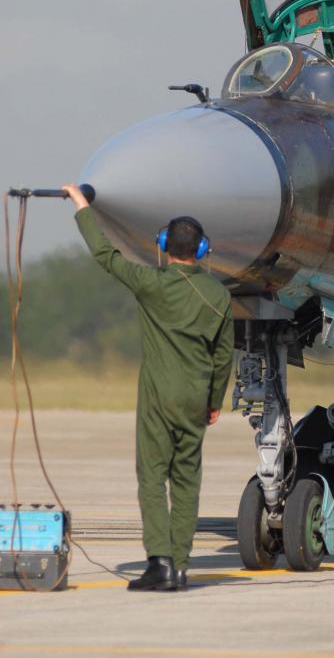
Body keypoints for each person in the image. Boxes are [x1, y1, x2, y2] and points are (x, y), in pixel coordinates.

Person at [63, 184, 234, 591]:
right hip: (196, 396)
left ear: (163, 245)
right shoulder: (219, 295)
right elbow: (224, 356)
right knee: (187, 480)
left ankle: (159, 563)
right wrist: (214, 402)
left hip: (158, 395)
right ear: (202, 250)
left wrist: (82, 207)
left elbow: (105, 256)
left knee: (153, 477)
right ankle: (180, 565)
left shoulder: (149, 282)